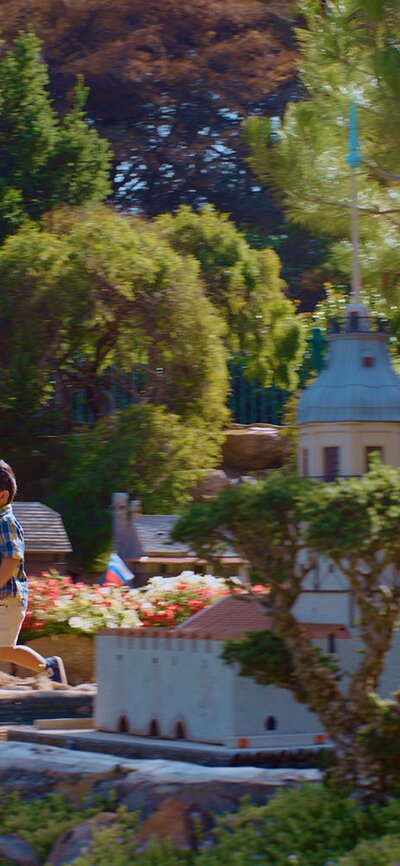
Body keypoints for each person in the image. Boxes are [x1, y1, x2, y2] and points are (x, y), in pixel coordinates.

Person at [0, 460, 67, 684]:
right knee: (4, 649)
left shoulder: (6, 523)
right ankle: (49, 667)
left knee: (3, 649)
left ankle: (48, 666)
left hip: (7, 597)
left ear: (2, 497)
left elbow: (12, 559)